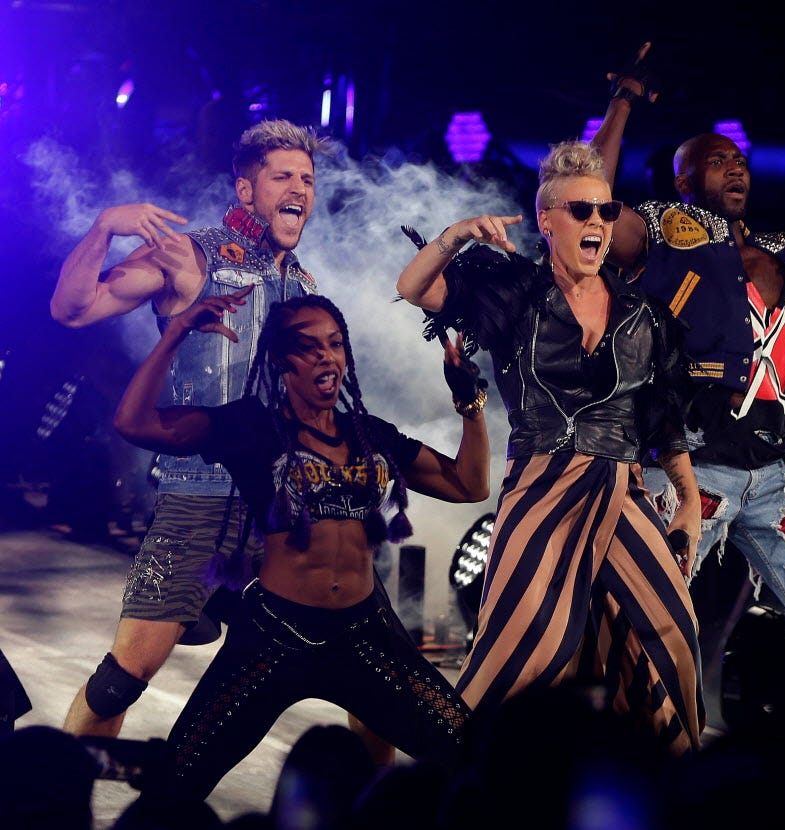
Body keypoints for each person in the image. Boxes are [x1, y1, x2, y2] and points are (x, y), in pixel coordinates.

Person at [49, 119, 401, 756]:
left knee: (375, 678)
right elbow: (72, 309)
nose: (299, 190)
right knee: (122, 679)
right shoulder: (191, 256)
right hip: (199, 502)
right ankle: (55, 793)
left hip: (289, 512)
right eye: (283, 177)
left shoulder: (305, 287)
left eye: (307, 180)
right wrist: (103, 228)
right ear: (246, 189)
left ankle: (371, 802)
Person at [590, 43, 785, 680]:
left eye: (739, 160)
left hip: (776, 467)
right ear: (684, 181)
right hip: (687, 461)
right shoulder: (660, 232)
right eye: (716, 161)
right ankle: (608, 726)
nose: (734, 168)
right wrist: (622, 100)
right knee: (629, 615)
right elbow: (584, 202)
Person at [112, 288, 489, 800]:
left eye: (334, 344)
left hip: (363, 638)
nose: (326, 356)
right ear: (280, 360)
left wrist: (470, 406)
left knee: (475, 755)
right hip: (272, 639)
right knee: (174, 784)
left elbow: (469, 485)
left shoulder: (369, 434)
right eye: (309, 347)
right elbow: (133, 423)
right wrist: (176, 331)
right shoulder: (250, 427)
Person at [396, 139, 705, 757]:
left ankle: (673, 786)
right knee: (521, 651)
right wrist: (457, 235)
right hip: (543, 486)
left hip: (622, 490)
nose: (598, 222)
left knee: (671, 634)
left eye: (607, 211)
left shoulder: (644, 314)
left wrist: (689, 500)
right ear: (547, 221)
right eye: (581, 210)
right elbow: (413, 287)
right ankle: (457, 781)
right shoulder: (513, 294)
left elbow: (662, 419)